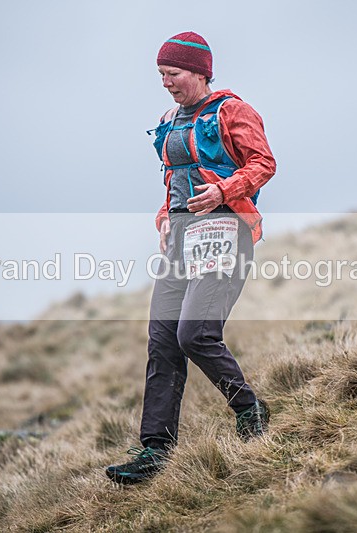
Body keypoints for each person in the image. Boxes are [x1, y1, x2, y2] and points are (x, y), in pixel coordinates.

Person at [105, 31, 276, 484]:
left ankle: (250, 410)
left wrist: (223, 189)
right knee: (162, 340)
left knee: (195, 333)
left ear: (199, 71)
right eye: (161, 74)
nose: (165, 82)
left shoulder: (232, 110)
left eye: (173, 73)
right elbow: (175, 179)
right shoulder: (169, 118)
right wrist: (164, 217)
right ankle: (155, 450)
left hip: (223, 226)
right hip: (179, 237)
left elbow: (263, 163)